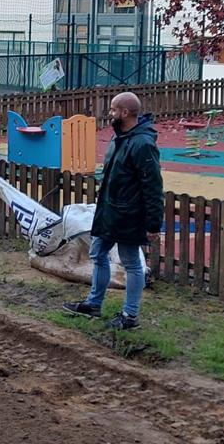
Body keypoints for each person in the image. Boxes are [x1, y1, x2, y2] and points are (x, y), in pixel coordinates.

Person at [63, 92, 163, 330]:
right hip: (109, 211)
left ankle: (130, 316)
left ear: (125, 113)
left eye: (112, 110)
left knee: (131, 263)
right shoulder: (120, 138)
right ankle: (93, 304)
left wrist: (153, 223)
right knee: (98, 253)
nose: (109, 114)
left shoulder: (143, 144)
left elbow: (153, 186)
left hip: (128, 215)